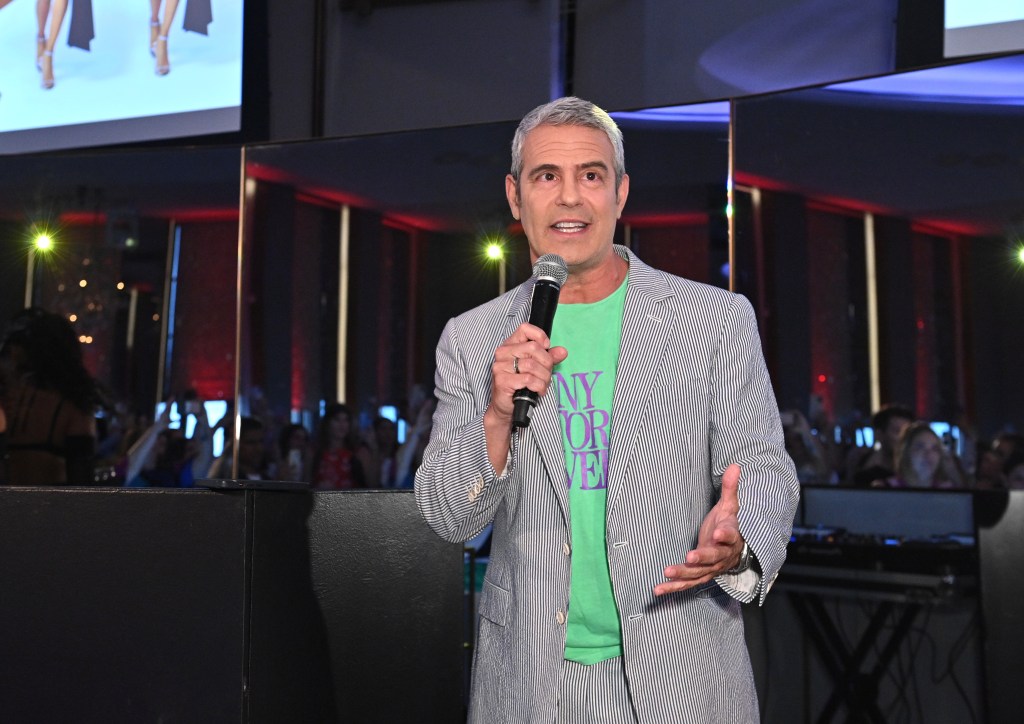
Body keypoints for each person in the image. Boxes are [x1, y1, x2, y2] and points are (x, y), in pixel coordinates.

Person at [414, 96, 800, 723]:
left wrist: (739, 542)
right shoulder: (474, 336)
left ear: (621, 193)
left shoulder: (712, 321)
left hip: (682, 675)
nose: (570, 198)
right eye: (547, 177)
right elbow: (450, 516)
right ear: (516, 197)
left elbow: (761, 466)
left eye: (590, 176)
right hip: (530, 684)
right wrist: (494, 417)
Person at [0, 307, 100, 485]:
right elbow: (82, 483)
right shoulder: (74, 407)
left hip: (9, 507)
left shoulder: (9, 401)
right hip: (52, 508)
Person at [877, 421, 964, 489]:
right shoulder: (885, 489)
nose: (928, 454)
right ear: (905, 452)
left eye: (934, 449)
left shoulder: (949, 493)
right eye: (920, 447)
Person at [845, 404, 914, 487]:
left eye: (907, 432)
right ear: (879, 435)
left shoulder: (918, 472)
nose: (903, 438)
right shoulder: (865, 472)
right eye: (897, 431)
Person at [312, 402, 366, 489]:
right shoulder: (315, 452)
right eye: (337, 419)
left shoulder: (356, 453)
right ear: (327, 423)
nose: (342, 425)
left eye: (346, 420)